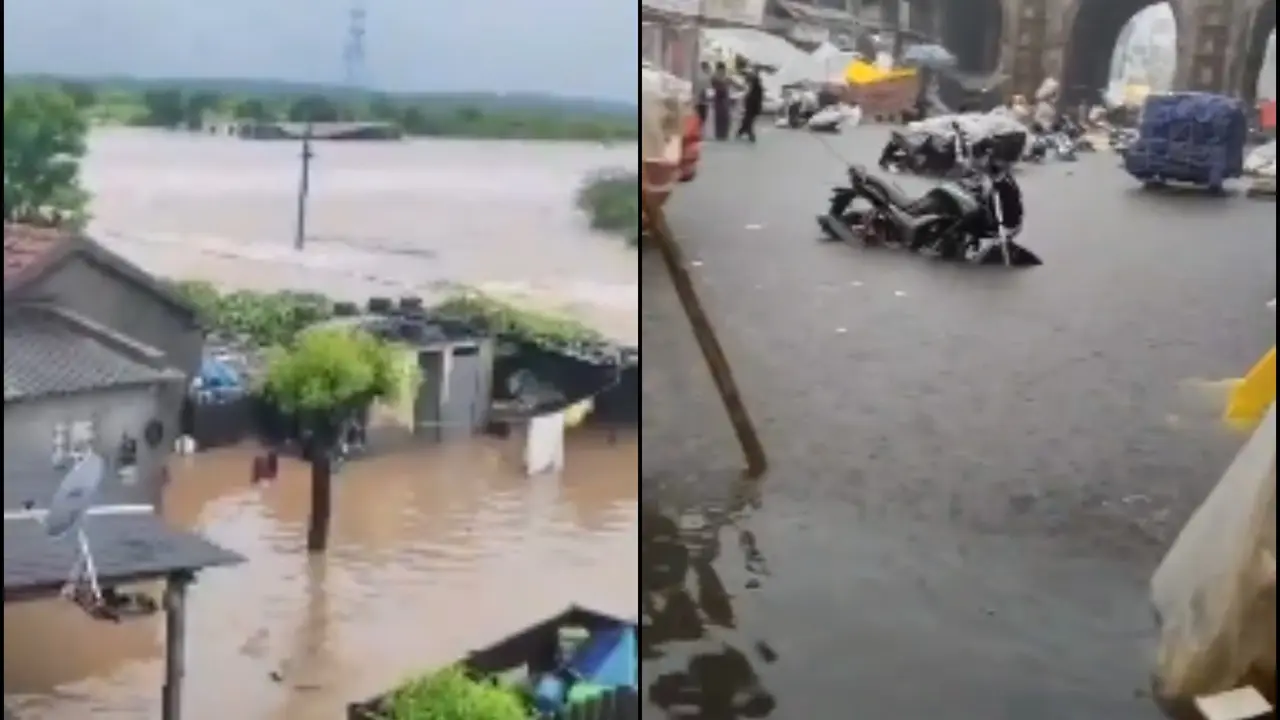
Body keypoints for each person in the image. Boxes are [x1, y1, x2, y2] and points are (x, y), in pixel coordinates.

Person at [737, 68, 763, 143]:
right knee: (748, 121)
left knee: (748, 121)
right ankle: (745, 133)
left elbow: (751, 97)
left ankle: (742, 133)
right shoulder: (756, 86)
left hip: (752, 106)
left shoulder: (755, 86)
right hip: (752, 106)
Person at [711, 62, 732, 141]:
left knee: (725, 118)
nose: (722, 72)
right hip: (719, 99)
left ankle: (724, 135)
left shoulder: (725, 78)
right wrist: (726, 81)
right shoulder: (715, 77)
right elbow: (717, 82)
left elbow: (733, 83)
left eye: (723, 70)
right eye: (721, 70)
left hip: (724, 100)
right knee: (719, 118)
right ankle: (719, 135)